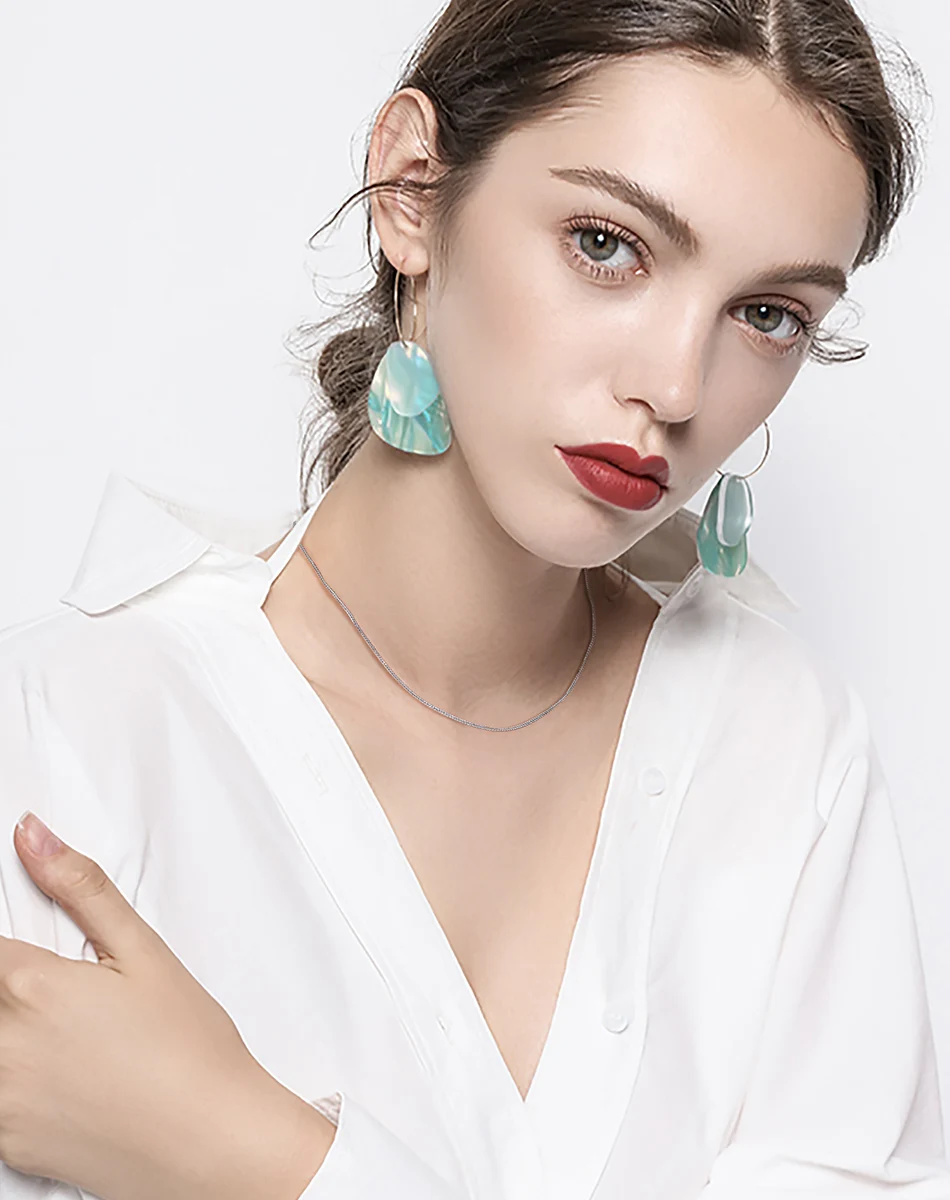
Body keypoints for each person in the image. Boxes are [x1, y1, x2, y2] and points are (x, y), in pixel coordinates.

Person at [0, 0, 946, 1197]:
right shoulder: (69, 736)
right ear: (410, 189)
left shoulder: (779, 748)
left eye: (766, 316)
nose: (673, 385)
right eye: (606, 244)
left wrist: (253, 1157)